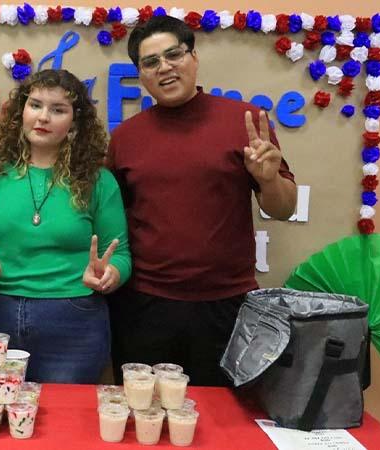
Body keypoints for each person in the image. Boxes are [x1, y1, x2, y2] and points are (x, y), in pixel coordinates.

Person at [107, 16, 297, 386]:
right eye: (151, 62)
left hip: (226, 304)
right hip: (145, 305)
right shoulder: (125, 137)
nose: (164, 67)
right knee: (145, 411)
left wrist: (268, 179)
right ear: (141, 74)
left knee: (222, 414)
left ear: (193, 57)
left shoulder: (246, 122)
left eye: (173, 55)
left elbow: (283, 208)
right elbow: (117, 221)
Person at [0, 69, 131, 384]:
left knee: (59, 415)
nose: (43, 117)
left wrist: (111, 274)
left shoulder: (98, 180)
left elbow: (121, 254)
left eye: (58, 110)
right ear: (21, 111)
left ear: (75, 121)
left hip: (73, 326)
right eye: (35, 105)